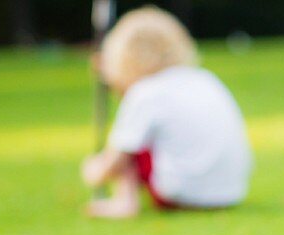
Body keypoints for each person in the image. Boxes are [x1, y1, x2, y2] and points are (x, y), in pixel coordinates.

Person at [80, 6, 252, 218]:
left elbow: (118, 159)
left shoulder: (145, 92)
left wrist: (94, 171)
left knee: (132, 140)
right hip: (230, 193)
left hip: (179, 194)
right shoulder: (205, 79)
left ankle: (124, 203)